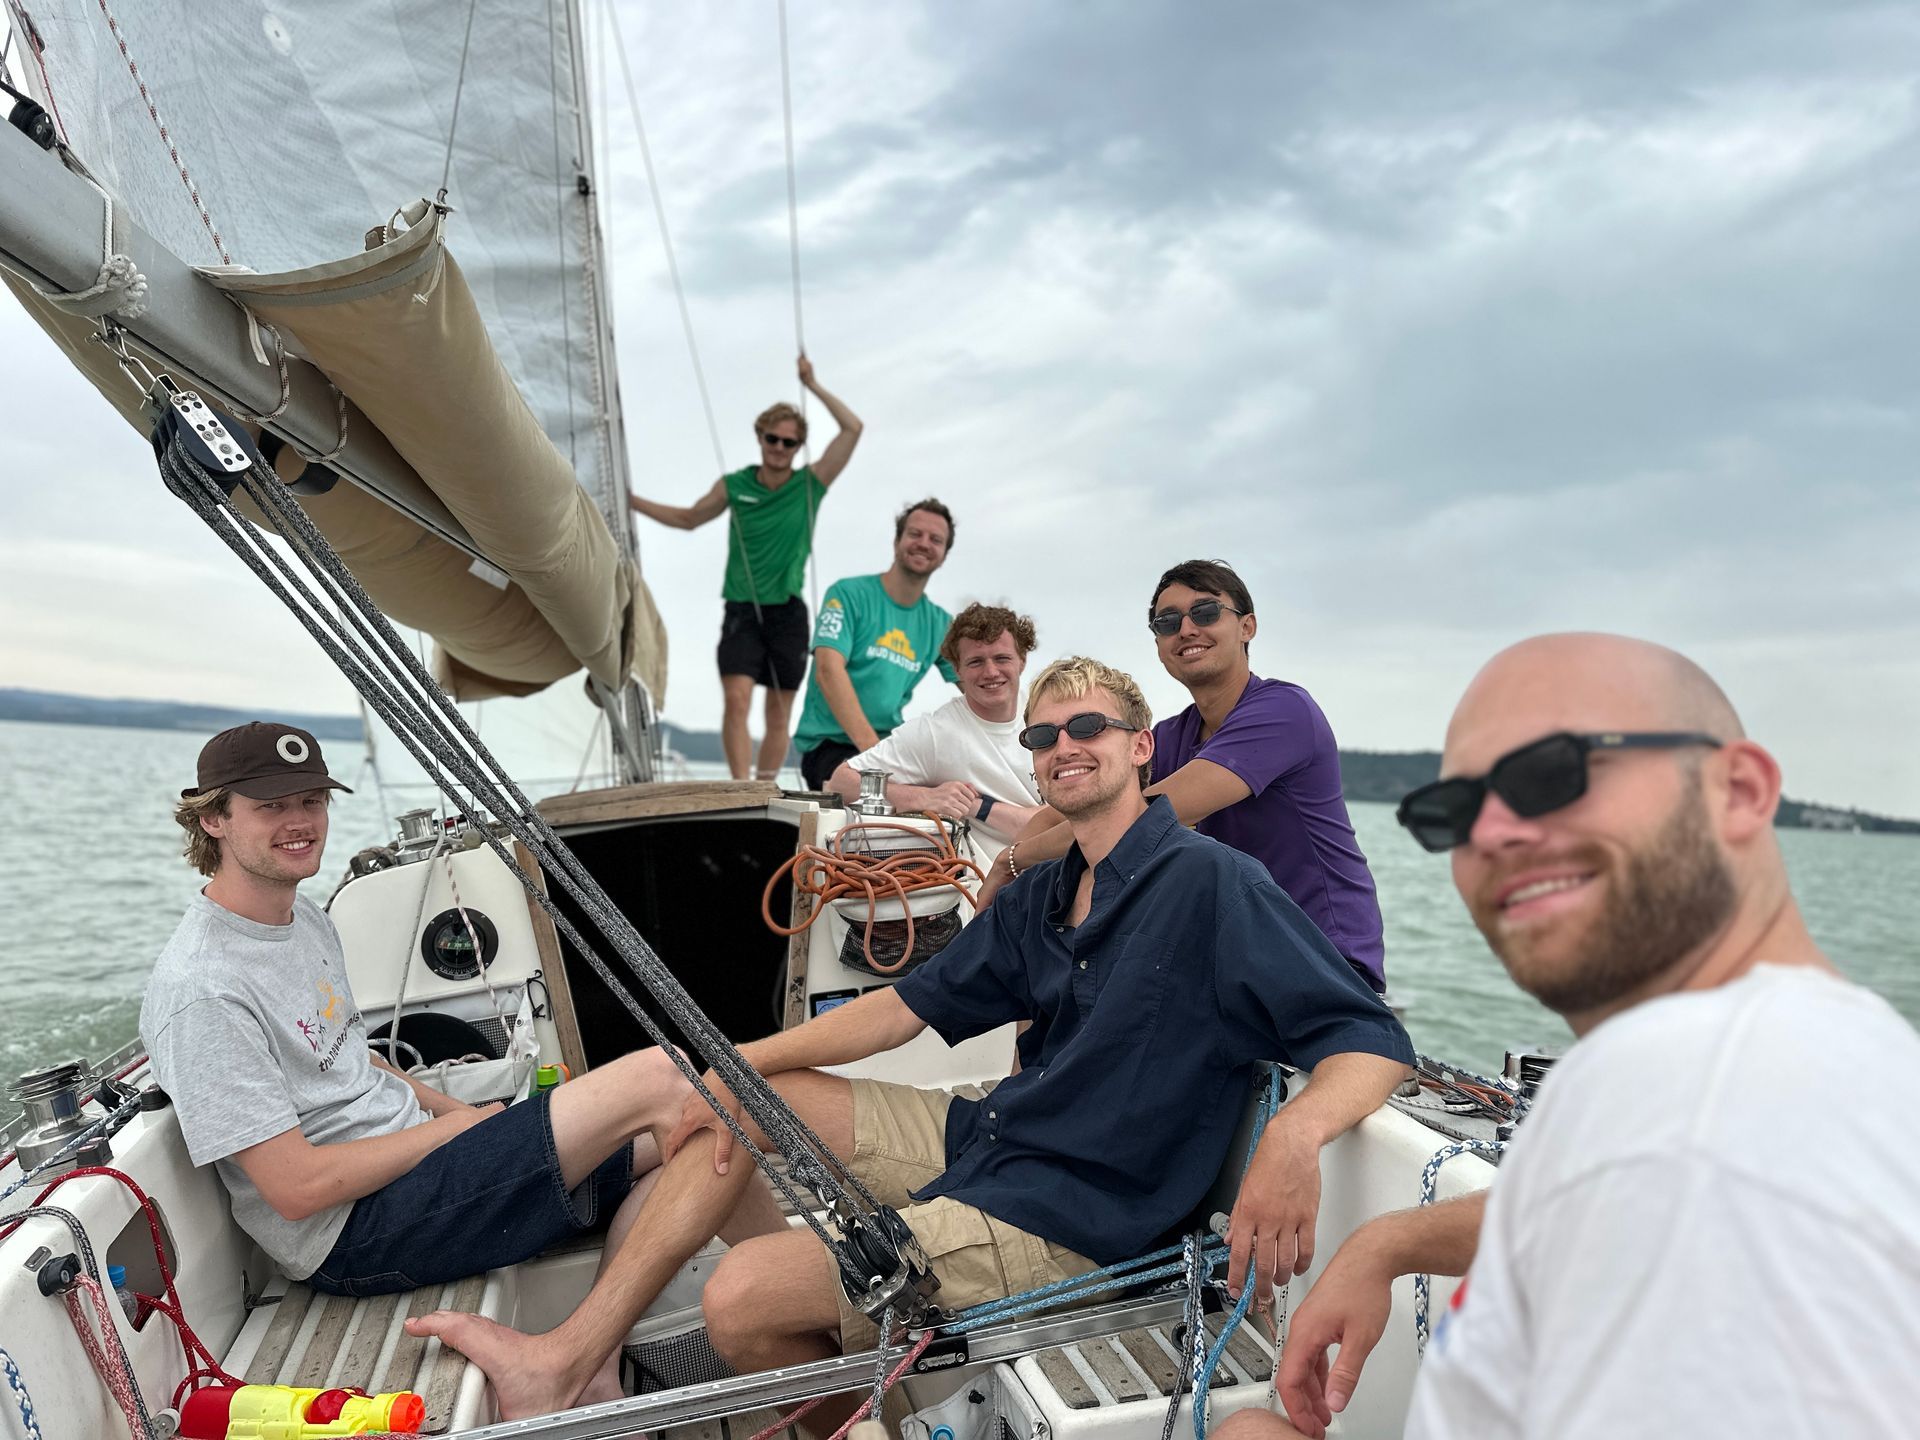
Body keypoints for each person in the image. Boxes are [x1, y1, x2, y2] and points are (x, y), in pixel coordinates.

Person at [410, 657, 1415, 1425]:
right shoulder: (1048, 893)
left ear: (1142, 746)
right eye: (1043, 735)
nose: (1063, 747)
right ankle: (572, 1355)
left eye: (1089, 728)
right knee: (742, 1104)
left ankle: (839, 1383)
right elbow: (905, 1010)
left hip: (1083, 1212)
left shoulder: (1212, 886)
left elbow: (1369, 1038)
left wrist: (1291, 1140)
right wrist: (735, 1063)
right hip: (994, 1142)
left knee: (739, 1303)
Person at [1212, 634, 1920, 1440]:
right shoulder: (1682, 1072)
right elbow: (1580, 1202)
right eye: (1457, 810)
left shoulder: (1730, 1128)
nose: (1496, 834)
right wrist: (1387, 1242)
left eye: (1551, 776)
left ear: (1740, 790)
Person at [141, 722, 777, 1408]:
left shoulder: (305, 921)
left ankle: (593, 1357)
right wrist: (454, 1132)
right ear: (212, 818)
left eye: (311, 801)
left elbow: (352, 1063)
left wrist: (449, 1112)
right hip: (352, 1233)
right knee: (668, 1077)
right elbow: (295, 1189)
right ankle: (830, 1291)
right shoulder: (202, 989)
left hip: (415, 1169)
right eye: (271, 807)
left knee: (706, 1133)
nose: (299, 823)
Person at [983, 560, 1386, 992]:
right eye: (1168, 621)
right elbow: (1071, 810)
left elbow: (1136, 820)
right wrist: (1007, 876)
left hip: (1322, 955)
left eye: (1206, 612)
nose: (1187, 629)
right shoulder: (1174, 736)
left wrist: (1012, 861)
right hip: (1237, 951)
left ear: (1247, 626)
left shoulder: (1284, 712)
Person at [629, 356, 864, 780]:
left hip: (788, 613)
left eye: (789, 443)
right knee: (736, 702)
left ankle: (763, 788)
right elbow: (689, 518)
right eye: (772, 439)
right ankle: (739, 788)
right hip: (742, 608)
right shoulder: (735, 485)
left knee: (778, 715)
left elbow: (853, 429)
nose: (778, 448)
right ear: (760, 438)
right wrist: (633, 501)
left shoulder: (810, 485)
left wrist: (814, 385)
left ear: (798, 447)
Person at [825, 603, 1045, 852]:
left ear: (1022, 661)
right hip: (990, 882)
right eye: (976, 662)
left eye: (1001, 658)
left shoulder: (1047, 714)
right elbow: (841, 783)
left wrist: (977, 807)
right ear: (956, 669)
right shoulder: (935, 733)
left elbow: (1059, 825)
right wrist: (925, 798)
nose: (991, 671)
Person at [792, 498, 960, 789]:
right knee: (884, 797)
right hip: (831, 746)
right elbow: (828, 672)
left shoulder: (941, 624)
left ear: (944, 555)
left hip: (890, 744)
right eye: (915, 534)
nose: (924, 543)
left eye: (935, 539)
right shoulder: (847, 594)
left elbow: (980, 682)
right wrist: (876, 757)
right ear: (897, 541)